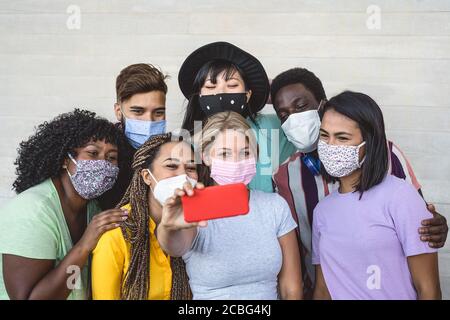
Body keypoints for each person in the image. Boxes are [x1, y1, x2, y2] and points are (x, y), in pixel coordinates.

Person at [270, 67, 448, 298]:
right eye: (284, 114)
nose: (293, 118)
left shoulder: (389, 157)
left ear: (322, 106)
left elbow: (418, 225)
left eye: (301, 106)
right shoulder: (285, 178)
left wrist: (434, 225)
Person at [157, 111, 302, 300]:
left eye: (245, 153)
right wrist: (168, 227)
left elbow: (291, 287)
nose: (236, 161)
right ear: (206, 157)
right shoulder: (194, 207)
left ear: (256, 156)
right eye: (225, 154)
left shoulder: (275, 206)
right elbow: (174, 247)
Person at [312, 91, 441, 299]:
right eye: (324, 135)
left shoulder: (401, 196)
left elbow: (428, 289)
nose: (330, 146)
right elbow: (323, 289)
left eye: (342, 137)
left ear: (369, 143)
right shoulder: (322, 211)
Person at [0, 109, 128, 300]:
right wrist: (84, 245)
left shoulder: (93, 208)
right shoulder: (32, 212)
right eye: (93, 153)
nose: (103, 164)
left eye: (111, 158)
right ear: (66, 160)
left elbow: (76, 280)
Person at [178, 42, 296, 193]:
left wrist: (278, 93)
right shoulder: (189, 140)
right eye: (210, 87)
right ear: (199, 96)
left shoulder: (269, 126)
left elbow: (311, 129)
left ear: (247, 94)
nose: (222, 93)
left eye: (232, 85)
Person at [91, 134, 195, 300]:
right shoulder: (116, 235)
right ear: (147, 177)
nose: (184, 177)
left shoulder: (198, 227)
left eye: (191, 168)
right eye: (171, 166)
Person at [99, 63, 169, 210]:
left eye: (158, 112)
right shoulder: (102, 154)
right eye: (138, 112)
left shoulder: (171, 153)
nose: (149, 120)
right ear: (119, 111)